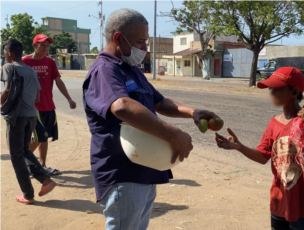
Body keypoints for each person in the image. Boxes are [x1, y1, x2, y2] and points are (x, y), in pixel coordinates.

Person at [83, 9, 221, 230]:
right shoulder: (105, 70)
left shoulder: (131, 70)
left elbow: (158, 102)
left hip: (144, 168)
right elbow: (122, 106)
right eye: (140, 42)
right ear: (118, 38)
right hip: (122, 173)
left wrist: (191, 111)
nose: (145, 49)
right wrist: (172, 134)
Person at [215, 67, 304, 230]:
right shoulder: (274, 123)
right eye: (270, 89)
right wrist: (239, 147)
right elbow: (263, 157)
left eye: (277, 89)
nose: (272, 93)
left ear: (294, 92)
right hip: (279, 200)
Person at [0, 39, 57, 204]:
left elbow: (7, 91)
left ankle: (28, 194)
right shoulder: (31, 71)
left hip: (16, 117)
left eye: (5, 52)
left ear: (9, 53)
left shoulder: (9, 67)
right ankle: (45, 180)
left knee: (16, 156)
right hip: (32, 115)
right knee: (24, 151)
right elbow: (37, 96)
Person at [22, 34, 77, 176]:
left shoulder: (50, 62)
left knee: (44, 137)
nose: (46, 48)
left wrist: (69, 99)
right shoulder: (24, 62)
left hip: (49, 105)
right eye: (42, 45)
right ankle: (22, 158)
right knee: (40, 137)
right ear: (34, 46)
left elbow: (58, 81)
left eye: (48, 46)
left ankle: (42, 165)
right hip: (33, 107)